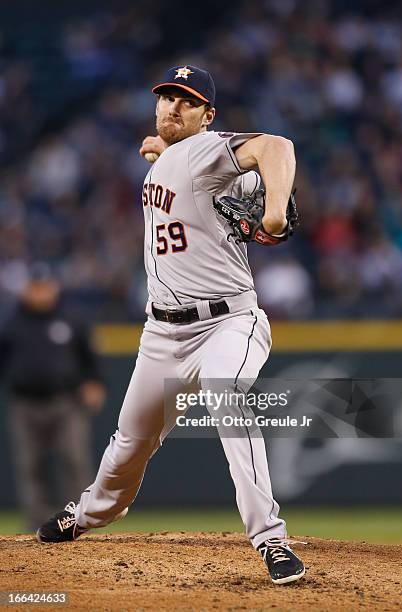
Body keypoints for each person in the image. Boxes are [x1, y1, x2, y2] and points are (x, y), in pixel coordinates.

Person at [36, 65, 305, 585]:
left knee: (227, 395)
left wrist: (272, 214)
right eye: (166, 98)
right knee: (128, 444)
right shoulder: (177, 155)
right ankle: (90, 514)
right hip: (163, 334)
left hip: (228, 323)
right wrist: (157, 150)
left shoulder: (205, 150)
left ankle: (270, 539)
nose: (171, 108)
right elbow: (179, 168)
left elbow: (277, 147)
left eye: (186, 101)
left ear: (209, 115)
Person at [0, 262, 106, 530]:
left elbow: (90, 357)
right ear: (26, 289)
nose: (40, 293)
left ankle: (78, 520)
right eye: (35, 287)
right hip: (25, 404)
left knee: (74, 462)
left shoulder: (71, 317)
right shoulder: (11, 321)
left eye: (44, 286)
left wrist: (94, 383)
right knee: (30, 466)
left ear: (54, 287)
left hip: (65, 402)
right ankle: (37, 524)